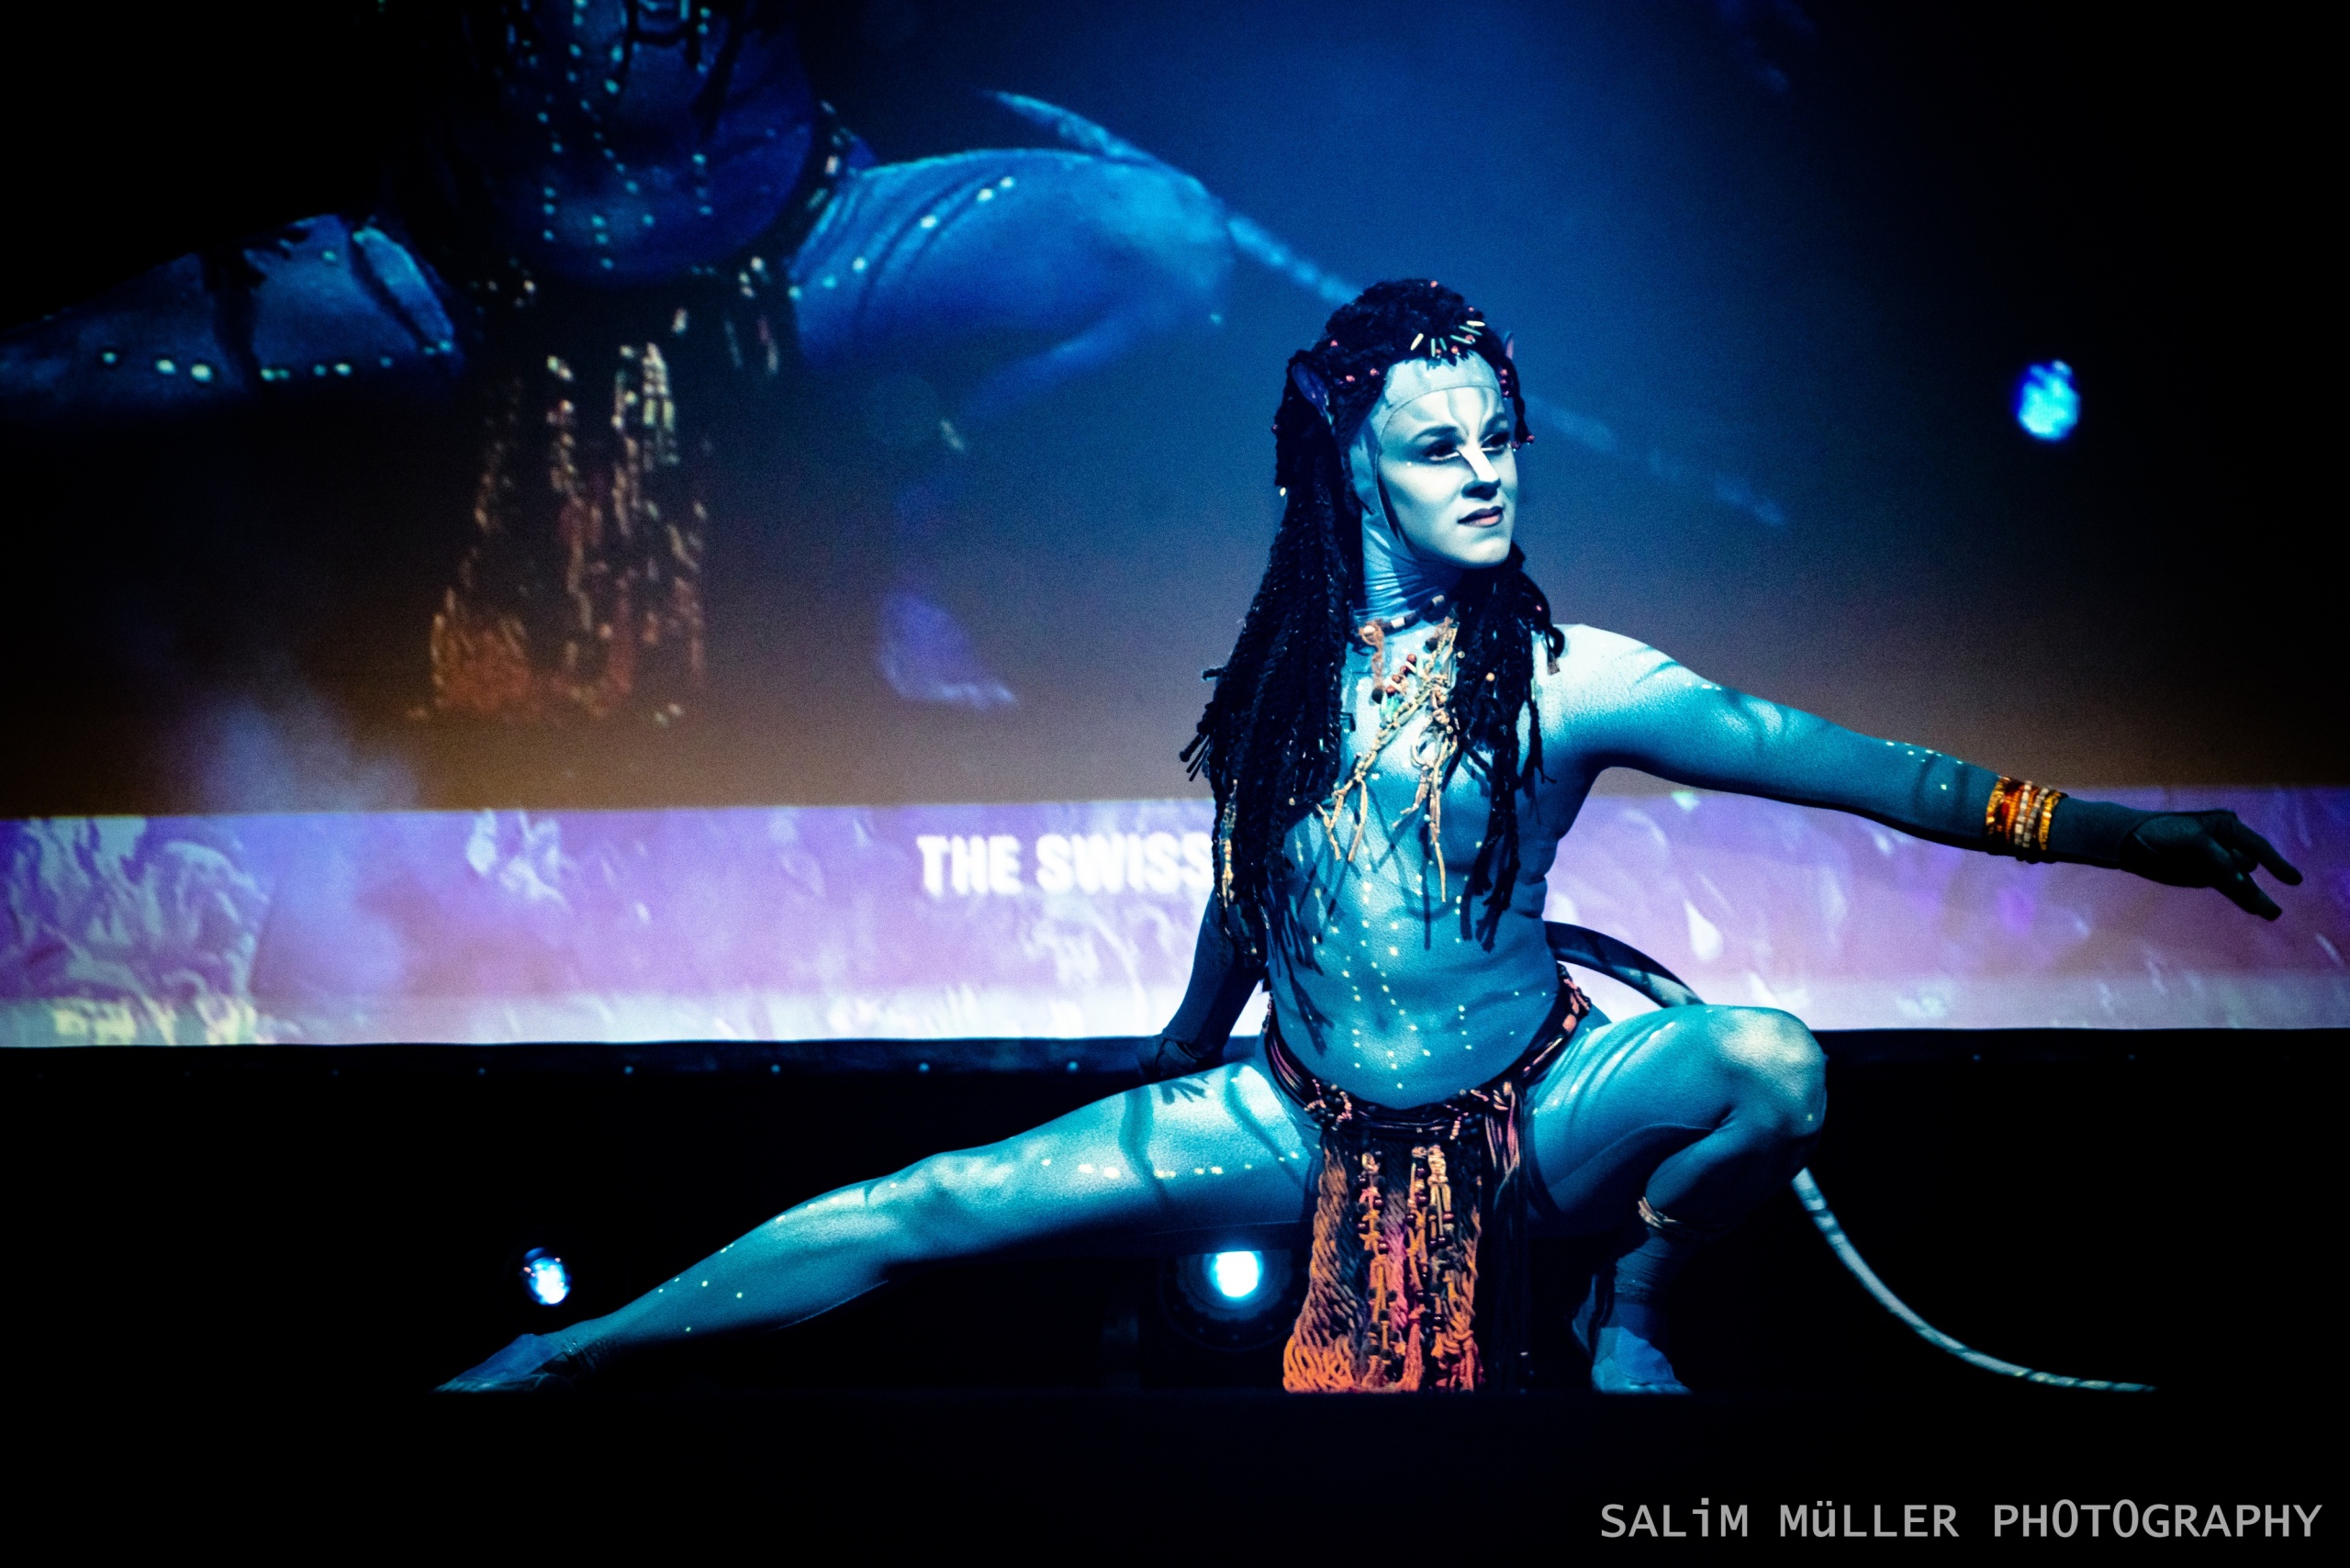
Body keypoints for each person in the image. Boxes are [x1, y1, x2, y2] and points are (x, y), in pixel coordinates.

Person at [445, 279, 2300, 1394]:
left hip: (1534, 1117)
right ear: (1354, 464)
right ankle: (566, 1356)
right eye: (1437, 445)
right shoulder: (1280, 679)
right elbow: (1250, 892)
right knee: (931, 1205)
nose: (1485, 471)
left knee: (1770, 1065)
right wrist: (1181, 1043)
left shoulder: (1576, 676)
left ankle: (1631, 1311)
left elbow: (1869, 771)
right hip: (1295, 1115)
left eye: (1502, 436)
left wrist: (2117, 833)